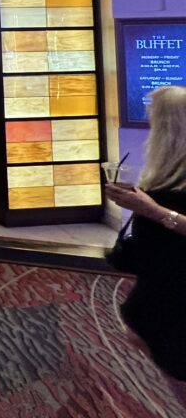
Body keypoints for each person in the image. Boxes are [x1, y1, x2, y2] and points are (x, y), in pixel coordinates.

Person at [105, 85, 186, 387]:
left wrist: (153, 211)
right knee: (143, 332)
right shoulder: (166, 175)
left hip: (174, 297)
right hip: (162, 289)